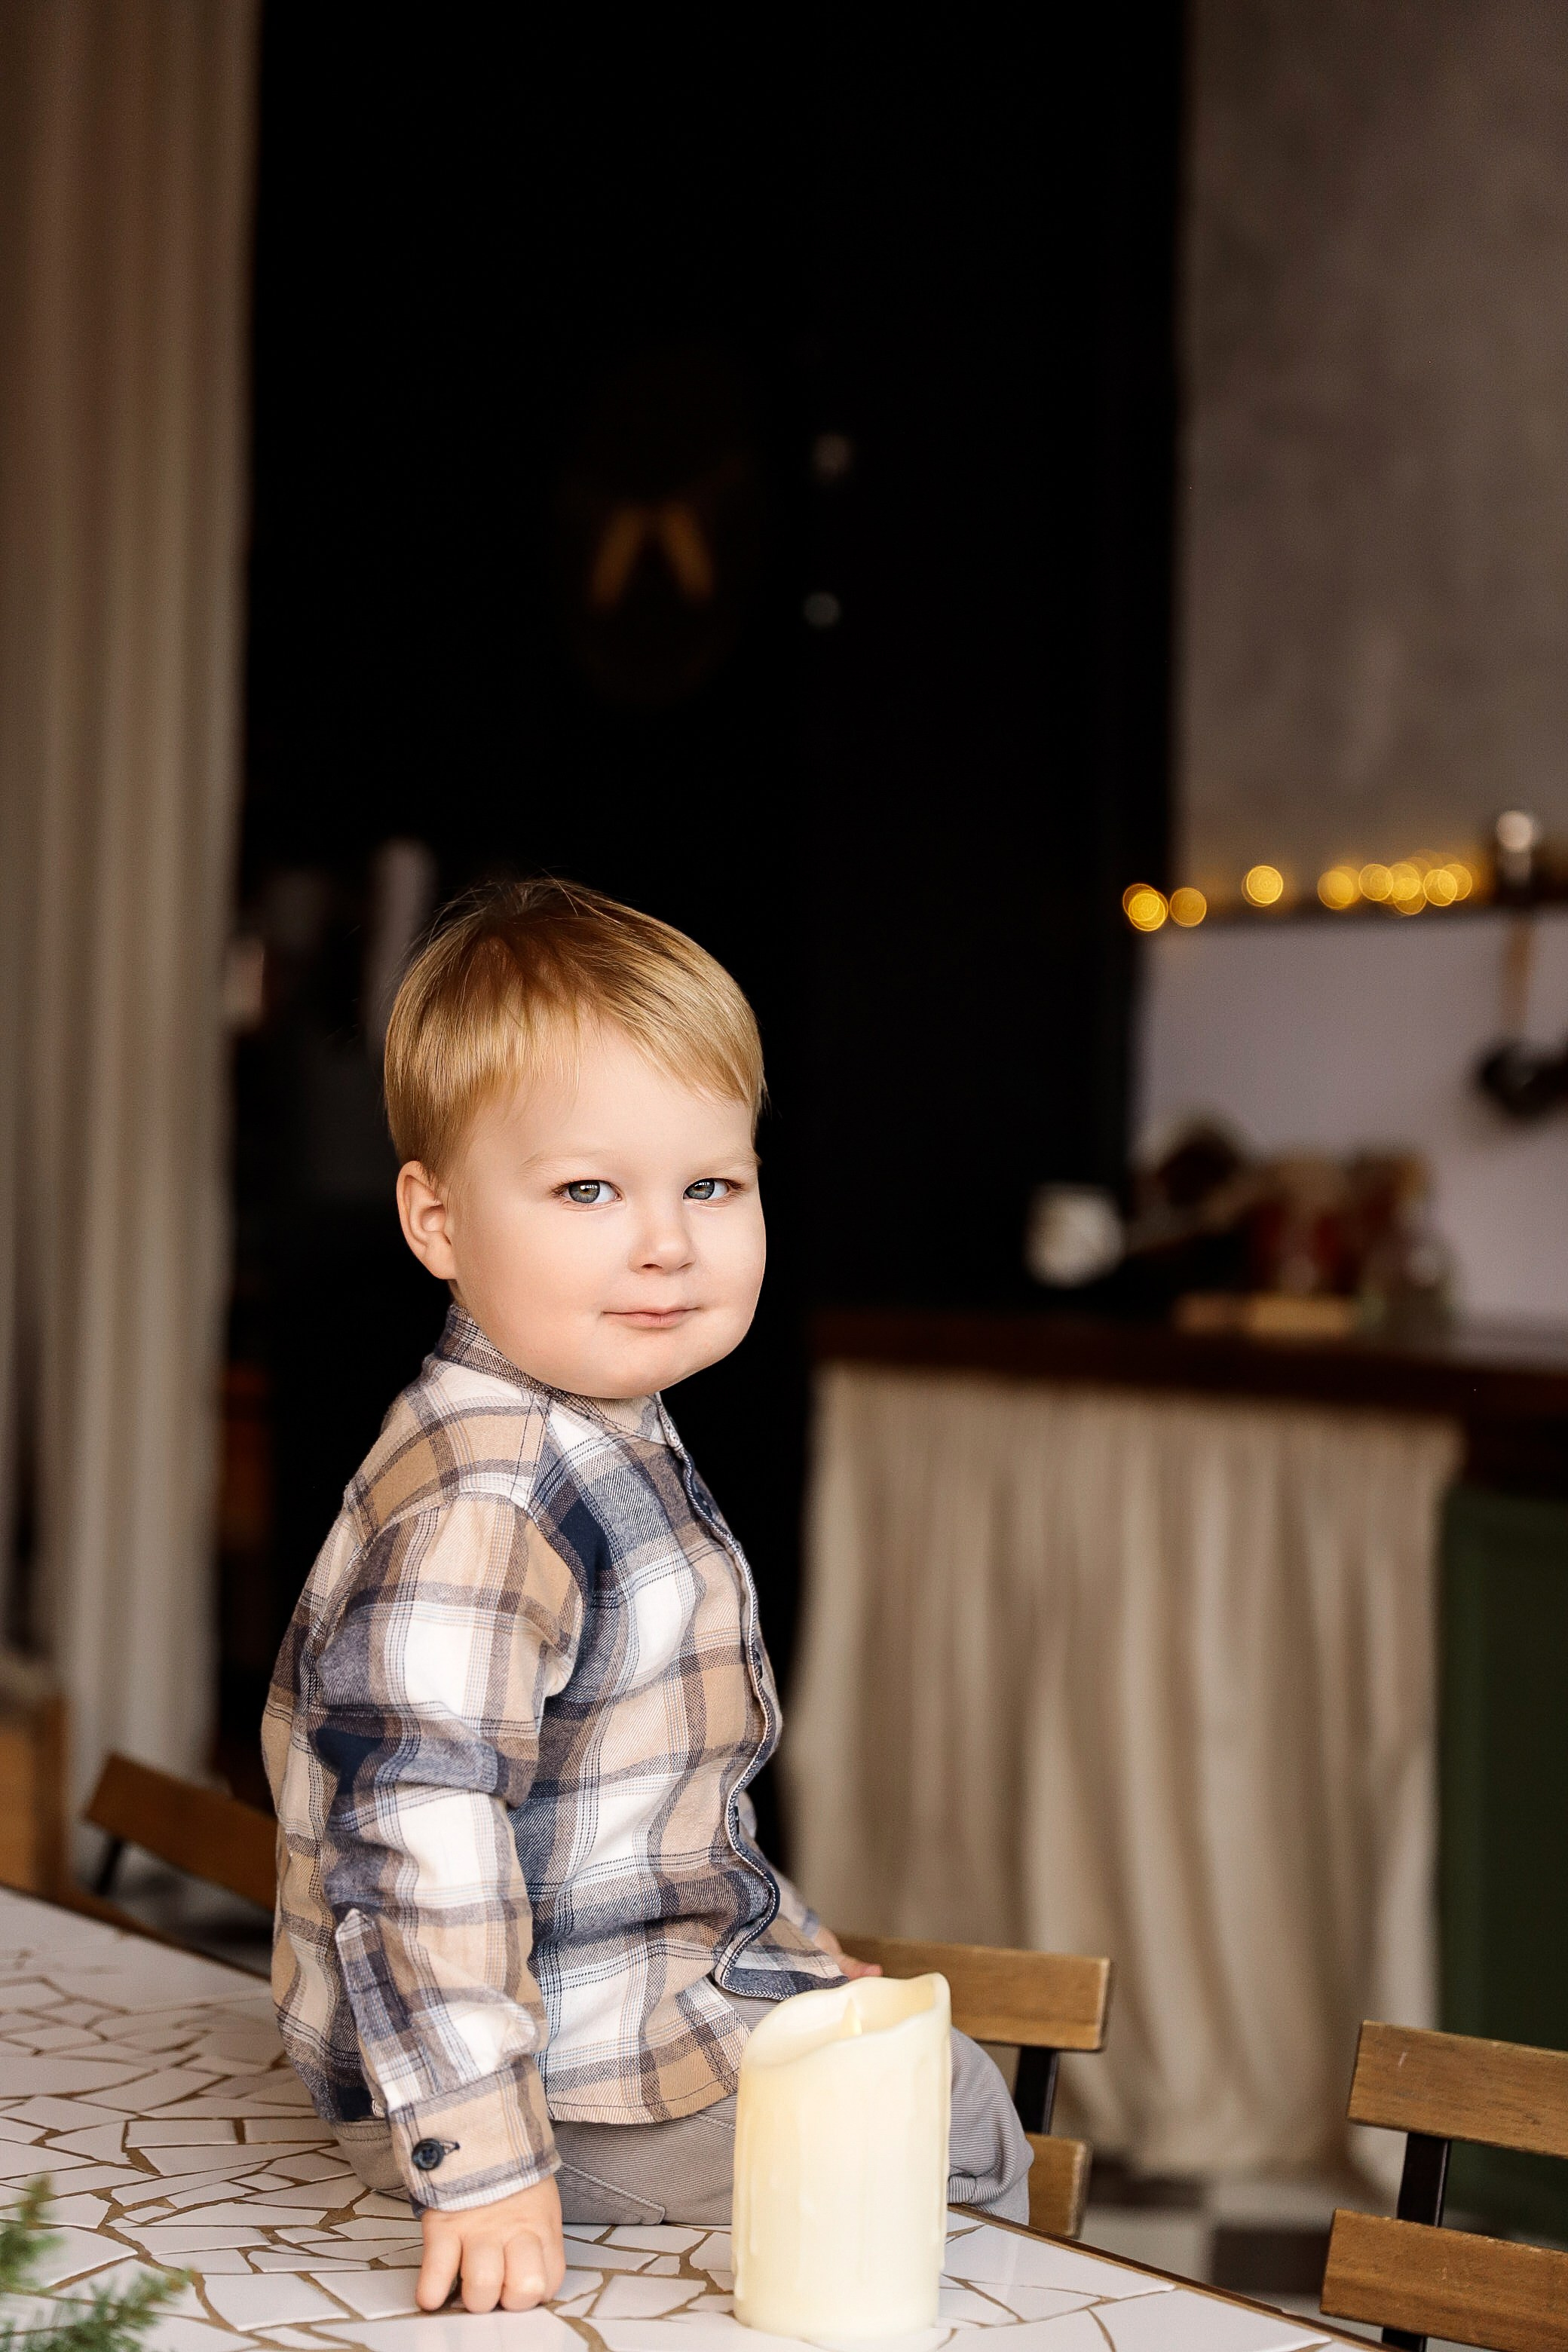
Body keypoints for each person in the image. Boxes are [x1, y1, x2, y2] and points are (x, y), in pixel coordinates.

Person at [264, 878, 1031, 2316]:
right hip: (529, 2090)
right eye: (587, 1191)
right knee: (958, 2118)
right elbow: (414, 1832)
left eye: (711, 1185)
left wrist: (782, 1959)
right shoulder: (489, 1502)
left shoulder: (601, 1424)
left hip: (603, 2018)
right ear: (434, 1220)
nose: (666, 1241)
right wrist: (484, 2160)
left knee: (884, 2062)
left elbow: (657, 1809)